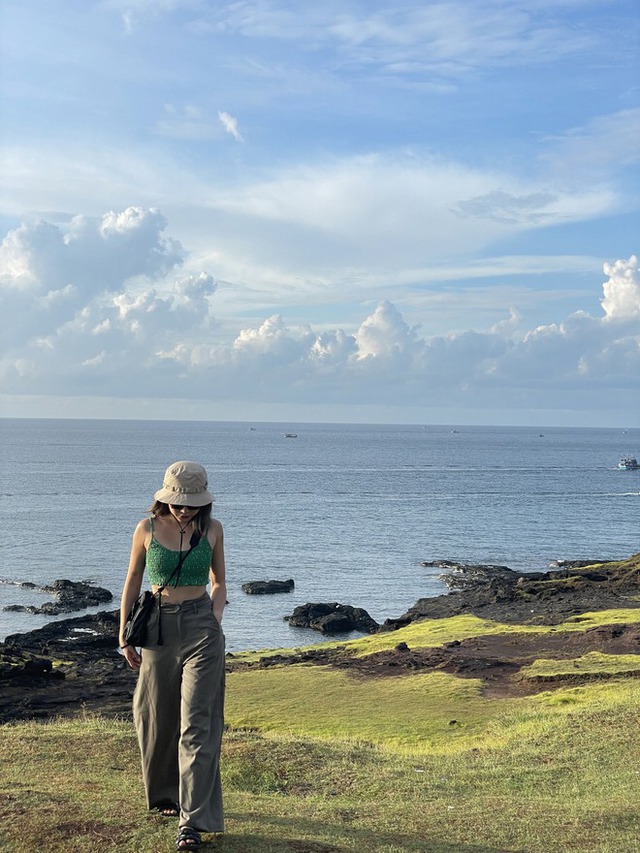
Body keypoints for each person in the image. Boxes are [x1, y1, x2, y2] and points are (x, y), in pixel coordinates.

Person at [119, 461, 226, 851]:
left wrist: (213, 619)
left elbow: (219, 582)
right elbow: (132, 581)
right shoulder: (145, 529)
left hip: (202, 628)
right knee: (155, 716)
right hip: (157, 628)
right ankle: (166, 794)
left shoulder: (213, 530)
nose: (185, 510)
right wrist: (124, 635)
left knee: (198, 722)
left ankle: (191, 822)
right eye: (179, 504)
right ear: (165, 498)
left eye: (192, 504)